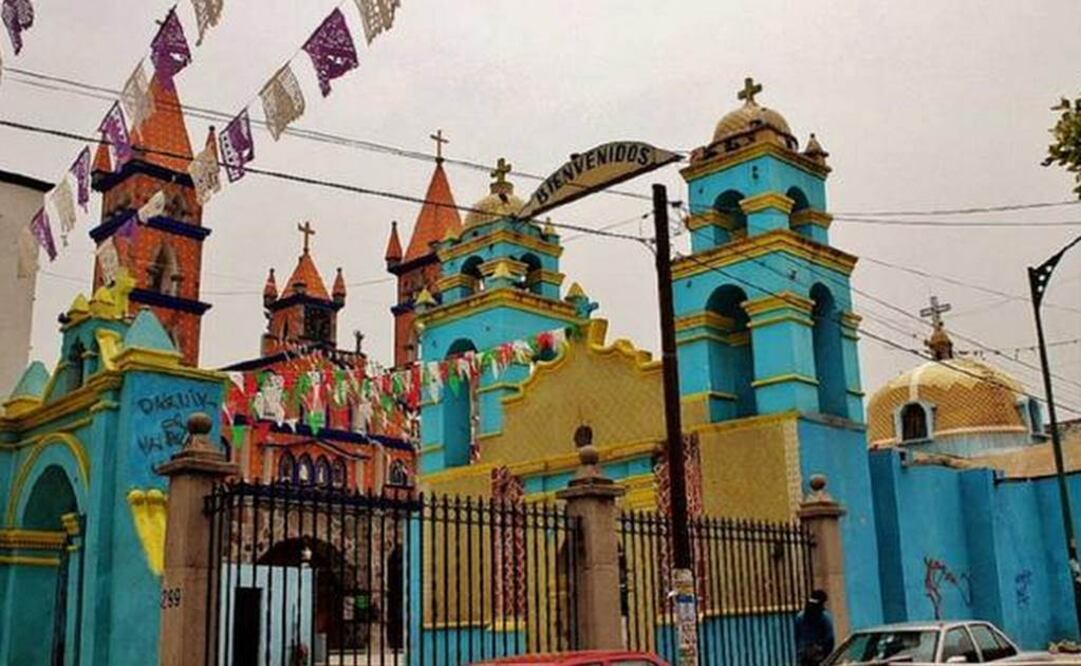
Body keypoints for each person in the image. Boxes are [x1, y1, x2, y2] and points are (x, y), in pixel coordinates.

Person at [795, 589, 836, 666]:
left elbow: (797, 637)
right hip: (819, 655)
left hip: (804, 654)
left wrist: (799, 653)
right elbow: (830, 638)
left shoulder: (800, 617)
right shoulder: (824, 617)